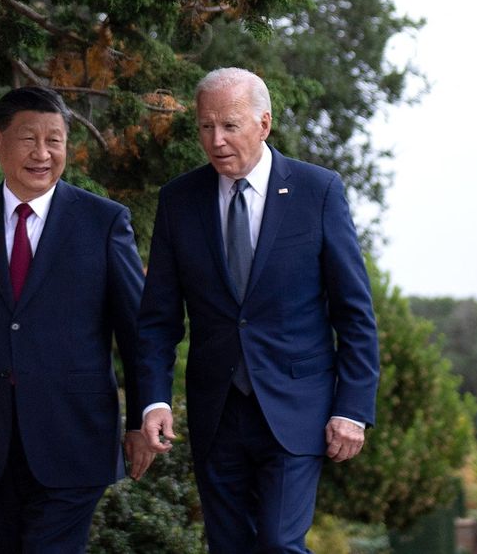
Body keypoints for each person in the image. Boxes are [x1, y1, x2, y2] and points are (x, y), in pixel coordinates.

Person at [137, 67, 380, 553]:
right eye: (206, 127)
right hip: (216, 410)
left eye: (230, 125)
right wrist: (154, 400)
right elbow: (158, 319)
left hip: (297, 407)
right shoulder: (179, 201)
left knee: (277, 543)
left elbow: (353, 312)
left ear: (264, 124)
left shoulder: (318, 191)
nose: (216, 139)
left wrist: (353, 407)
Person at [0, 86, 153, 554]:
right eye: (28, 139)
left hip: (76, 436)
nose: (42, 153)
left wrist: (142, 418)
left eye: (55, 140)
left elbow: (137, 331)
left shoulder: (104, 223)